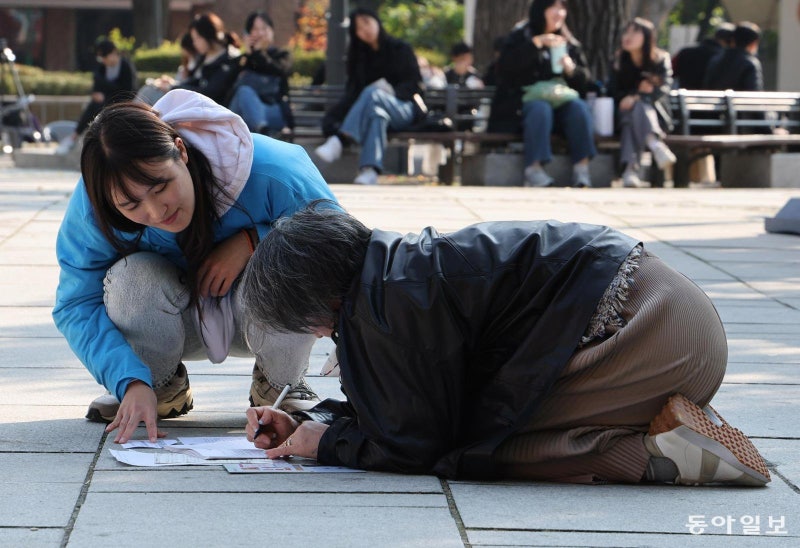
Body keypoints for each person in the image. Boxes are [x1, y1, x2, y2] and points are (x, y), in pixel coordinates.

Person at [240, 203, 771, 487]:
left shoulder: (386, 304)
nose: (318, 335)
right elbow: (404, 403)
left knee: (477, 447)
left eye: (308, 324)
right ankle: (666, 423)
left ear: (317, 302)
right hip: (675, 316)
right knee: (480, 422)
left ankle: (658, 456)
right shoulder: (389, 271)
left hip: (650, 333)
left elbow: (414, 444)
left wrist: (323, 444)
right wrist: (315, 420)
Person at [52, 89, 339, 445]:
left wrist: (256, 239)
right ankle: (157, 387)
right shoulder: (96, 205)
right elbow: (76, 302)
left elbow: (339, 247)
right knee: (130, 278)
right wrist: (129, 380)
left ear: (181, 151)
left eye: (160, 186)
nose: (156, 212)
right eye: (131, 206)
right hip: (170, 321)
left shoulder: (273, 168)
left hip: (261, 313)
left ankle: (280, 384)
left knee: (297, 258)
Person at [488, 0, 596, 188]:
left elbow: (586, 83)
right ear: (541, 9)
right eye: (553, 7)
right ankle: (534, 169)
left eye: (562, 8)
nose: (559, 12)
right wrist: (536, 44)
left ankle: (582, 169)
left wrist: (571, 69)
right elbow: (505, 69)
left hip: (561, 101)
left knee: (578, 108)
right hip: (522, 105)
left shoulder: (568, 41)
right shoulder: (521, 35)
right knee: (540, 109)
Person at [313, 8, 425, 185]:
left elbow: (415, 85)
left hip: (404, 108)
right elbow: (353, 94)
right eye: (359, 28)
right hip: (376, 112)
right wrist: (332, 118)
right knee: (377, 115)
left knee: (372, 93)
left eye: (366, 22)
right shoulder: (359, 57)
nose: (365, 30)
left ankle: (340, 140)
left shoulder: (401, 48)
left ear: (376, 21)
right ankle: (370, 171)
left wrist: (390, 91)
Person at [608, 18, 676, 189]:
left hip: (655, 115)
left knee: (634, 114)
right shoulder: (619, 60)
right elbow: (613, 91)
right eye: (626, 32)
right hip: (622, 112)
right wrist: (636, 94)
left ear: (647, 37)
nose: (628, 37)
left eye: (634, 32)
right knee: (630, 115)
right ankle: (654, 144)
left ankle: (630, 170)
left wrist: (636, 97)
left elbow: (661, 90)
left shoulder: (660, 59)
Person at [55, 39, 137, 154]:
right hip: (103, 102)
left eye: (105, 57)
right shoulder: (102, 68)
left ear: (113, 53)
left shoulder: (125, 66)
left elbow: (129, 91)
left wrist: (107, 93)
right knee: (94, 106)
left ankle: (82, 137)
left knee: (100, 108)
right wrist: (97, 94)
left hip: (121, 102)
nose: (103, 60)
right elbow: (97, 86)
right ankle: (75, 136)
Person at [227, 11, 294, 136]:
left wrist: (258, 53)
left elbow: (280, 70)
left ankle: (261, 129)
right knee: (244, 92)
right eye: (255, 29)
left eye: (264, 28)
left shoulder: (281, 55)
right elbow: (229, 84)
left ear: (272, 31)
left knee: (245, 97)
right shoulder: (243, 60)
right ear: (248, 33)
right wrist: (248, 55)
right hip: (242, 114)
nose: (260, 33)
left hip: (272, 111)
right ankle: (262, 130)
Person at [174, 12, 241, 105]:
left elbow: (211, 92)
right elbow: (196, 81)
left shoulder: (230, 58)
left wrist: (175, 89)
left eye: (197, 38)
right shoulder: (203, 57)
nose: (194, 43)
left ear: (208, 35)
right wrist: (174, 86)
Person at [136, 32, 199, 106]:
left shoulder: (197, 65)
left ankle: (133, 111)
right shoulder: (188, 64)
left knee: (148, 91)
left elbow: (186, 87)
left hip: (177, 97)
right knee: (148, 88)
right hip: (174, 92)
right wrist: (170, 82)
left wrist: (170, 85)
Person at [672, 22, 734, 90]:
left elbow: (670, 72)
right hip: (713, 95)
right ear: (730, 41)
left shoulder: (685, 52)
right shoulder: (724, 57)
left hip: (685, 94)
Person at [704, 22, 763, 92]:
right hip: (738, 99)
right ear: (754, 43)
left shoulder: (716, 59)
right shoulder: (750, 63)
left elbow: (707, 86)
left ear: (733, 40)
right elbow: (754, 91)